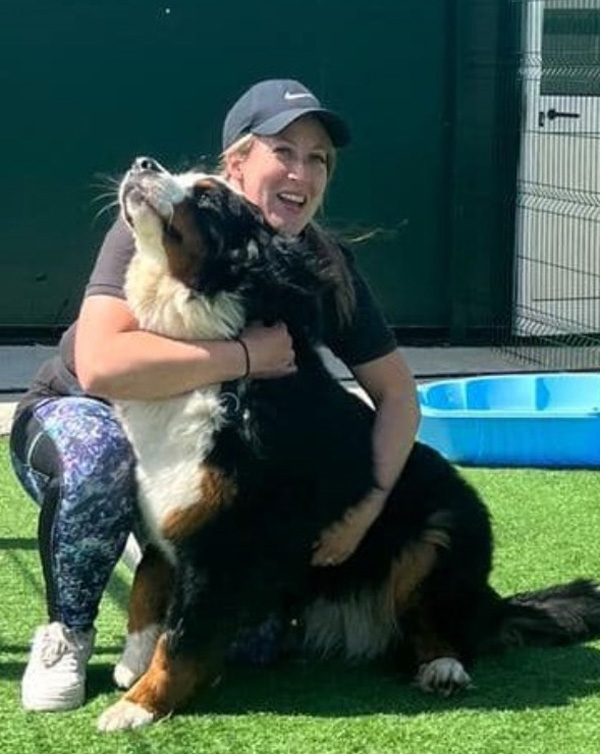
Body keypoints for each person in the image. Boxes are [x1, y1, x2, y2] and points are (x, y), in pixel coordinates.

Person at [9, 78, 420, 713]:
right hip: (83, 415)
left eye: (318, 160)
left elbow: (397, 395)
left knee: (252, 645)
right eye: (284, 151)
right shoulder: (163, 217)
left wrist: (364, 510)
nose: (301, 173)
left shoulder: (320, 265)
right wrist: (246, 358)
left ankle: (169, 567)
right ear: (236, 163)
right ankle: (69, 630)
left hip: (188, 444)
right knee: (103, 456)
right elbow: (99, 366)